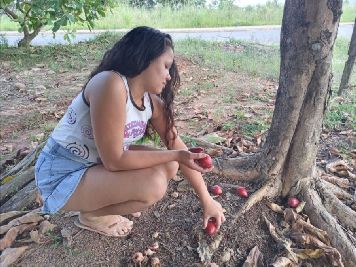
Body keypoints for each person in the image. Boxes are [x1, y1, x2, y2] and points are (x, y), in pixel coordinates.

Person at [35, 26, 226, 237]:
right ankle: (92, 215)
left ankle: (110, 197)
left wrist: (207, 199)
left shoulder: (151, 102)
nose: (169, 76)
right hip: (63, 173)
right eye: (165, 66)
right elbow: (114, 160)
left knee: (170, 164)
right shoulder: (110, 83)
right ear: (144, 59)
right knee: (153, 186)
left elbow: (178, 146)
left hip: (94, 165)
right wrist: (178, 155)